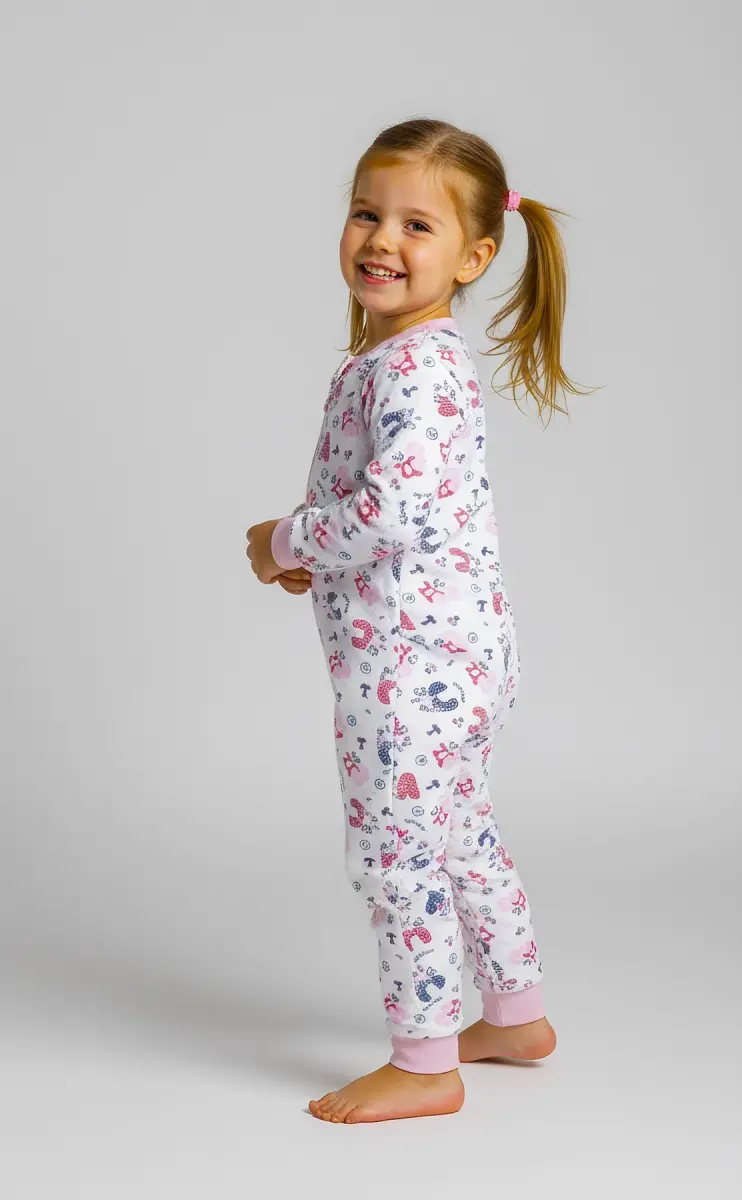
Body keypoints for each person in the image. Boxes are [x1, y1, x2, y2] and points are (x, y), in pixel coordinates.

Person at [245, 117, 596, 1124]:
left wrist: (286, 541)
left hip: (408, 673)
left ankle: (425, 1060)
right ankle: (516, 1016)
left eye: (416, 225)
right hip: (453, 655)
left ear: (473, 258)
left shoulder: (411, 368)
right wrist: (317, 562)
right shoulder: (409, 359)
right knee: (462, 835)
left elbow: (392, 513)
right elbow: (404, 516)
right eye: (367, 213)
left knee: (395, 859)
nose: (381, 241)